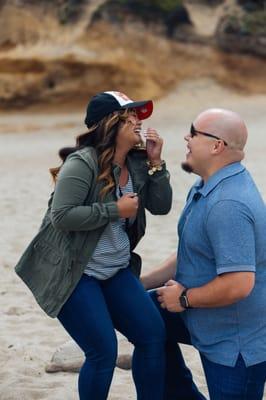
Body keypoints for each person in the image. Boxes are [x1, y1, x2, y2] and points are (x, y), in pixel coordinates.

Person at [15, 91, 172, 400]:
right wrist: (116, 210)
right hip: (75, 272)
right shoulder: (82, 163)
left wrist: (156, 163)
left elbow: (161, 205)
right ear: (109, 124)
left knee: (153, 336)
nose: (138, 121)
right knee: (103, 351)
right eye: (129, 116)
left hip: (115, 269)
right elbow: (61, 216)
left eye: (138, 115)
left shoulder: (137, 162)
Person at [141, 108, 266, 399]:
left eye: (194, 132)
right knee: (140, 314)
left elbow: (239, 283)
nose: (186, 137)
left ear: (216, 145)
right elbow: (193, 253)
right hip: (201, 318)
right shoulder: (206, 186)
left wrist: (184, 298)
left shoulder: (228, 205)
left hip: (235, 343)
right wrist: (143, 282)